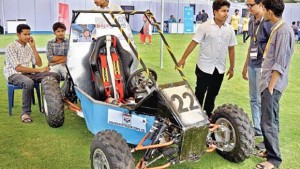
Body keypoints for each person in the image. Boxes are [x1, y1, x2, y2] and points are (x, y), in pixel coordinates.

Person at [177, 0, 236, 118]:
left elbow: (231, 49)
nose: (226, 14)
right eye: (223, 11)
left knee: (212, 95)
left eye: (227, 11)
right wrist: (183, 59)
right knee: (199, 93)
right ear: (215, 12)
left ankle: (208, 117)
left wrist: (232, 67)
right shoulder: (204, 27)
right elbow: (194, 43)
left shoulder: (229, 29)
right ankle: (195, 118)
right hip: (204, 67)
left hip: (219, 69)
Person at [253, 0, 294, 168]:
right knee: (271, 119)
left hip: (272, 84)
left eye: (263, 8)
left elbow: (280, 62)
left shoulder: (283, 30)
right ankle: (270, 151)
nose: (262, 11)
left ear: (269, 11)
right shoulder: (278, 28)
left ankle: (273, 160)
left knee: (267, 121)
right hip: (269, 83)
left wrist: (270, 86)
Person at [3, 24, 60, 123]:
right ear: (18, 34)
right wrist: (40, 70)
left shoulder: (29, 48)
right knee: (28, 82)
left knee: (55, 75)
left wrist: (33, 47)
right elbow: (18, 68)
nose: (28, 37)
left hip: (28, 74)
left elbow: (38, 63)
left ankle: (49, 104)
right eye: (25, 34)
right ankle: (25, 113)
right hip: (14, 74)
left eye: (29, 34)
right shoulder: (11, 47)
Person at [241, 0, 272, 150]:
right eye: (247, 5)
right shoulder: (252, 21)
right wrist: (245, 65)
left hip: (263, 66)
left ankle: (266, 133)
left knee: (262, 99)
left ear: (260, 4)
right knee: (254, 98)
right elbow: (251, 44)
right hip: (253, 64)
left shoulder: (268, 22)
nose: (249, 8)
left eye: (251, 5)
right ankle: (257, 129)